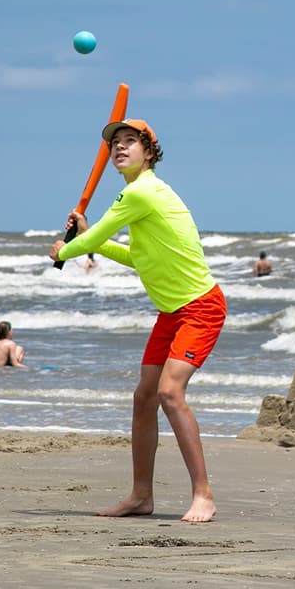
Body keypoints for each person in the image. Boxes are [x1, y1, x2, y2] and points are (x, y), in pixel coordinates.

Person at [48, 118, 226, 523]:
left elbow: (89, 244)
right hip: (171, 313)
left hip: (201, 307)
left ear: (150, 153)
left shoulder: (142, 192)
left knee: (169, 393)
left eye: (131, 142)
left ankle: (204, 494)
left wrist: (67, 249)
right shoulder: (135, 196)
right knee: (144, 396)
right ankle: (141, 496)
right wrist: (88, 238)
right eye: (116, 144)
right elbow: (136, 258)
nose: (120, 148)